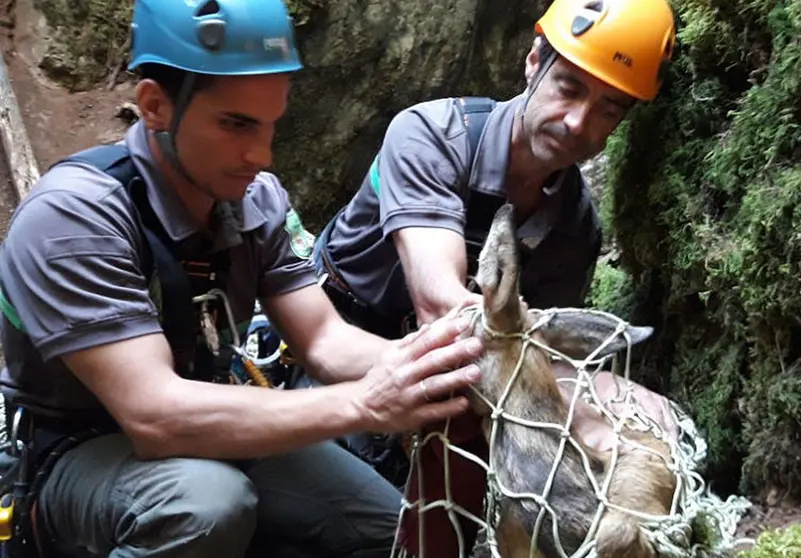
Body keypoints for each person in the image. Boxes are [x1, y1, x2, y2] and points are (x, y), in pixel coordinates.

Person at [0, 0, 485, 556]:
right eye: (235, 124)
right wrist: (367, 404)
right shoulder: (73, 219)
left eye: (271, 125)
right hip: (78, 448)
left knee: (382, 529)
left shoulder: (253, 201)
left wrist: (434, 368)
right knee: (206, 506)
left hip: (211, 418)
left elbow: (325, 340)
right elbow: (154, 415)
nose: (261, 152)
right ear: (155, 106)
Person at [311, 0, 677, 554]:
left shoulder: (574, 224)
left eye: (608, 109)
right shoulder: (431, 136)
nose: (578, 122)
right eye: (570, 88)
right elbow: (443, 311)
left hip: (457, 396)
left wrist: (611, 399)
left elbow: (536, 362)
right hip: (343, 357)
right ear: (534, 61)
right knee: (379, 533)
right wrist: (579, 407)